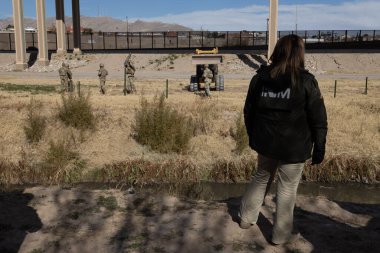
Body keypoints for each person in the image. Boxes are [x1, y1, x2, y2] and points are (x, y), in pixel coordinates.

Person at [239, 35, 328, 245]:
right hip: (294, 148)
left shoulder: (260, 78)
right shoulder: (306, 81)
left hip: (266, 143)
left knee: (261, 178)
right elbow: (319, 118)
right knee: (287, 189)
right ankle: (279, 236)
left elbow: (248, 111)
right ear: (299, 54)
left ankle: (245, 220)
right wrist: (319, 146)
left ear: (278, 51)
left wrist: (253, 135)